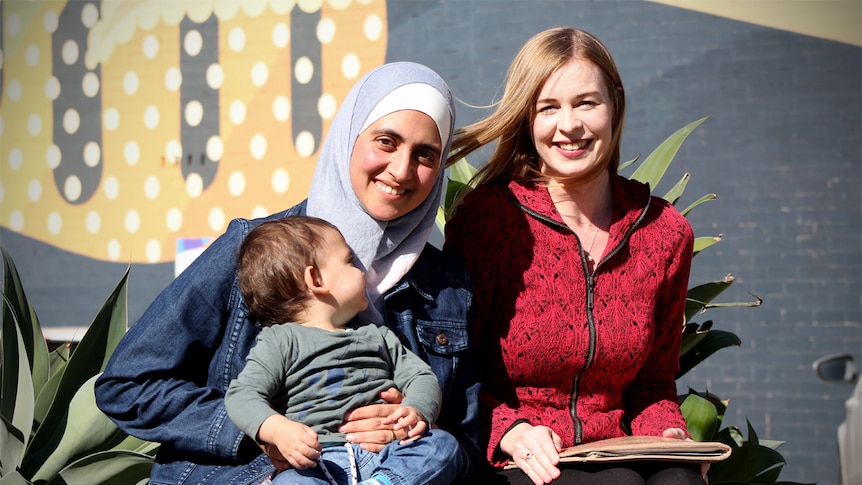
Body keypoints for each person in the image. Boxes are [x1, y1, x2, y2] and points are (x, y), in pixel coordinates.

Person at [95, 61, 482, 485]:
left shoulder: (447, 287)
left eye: (425, 154)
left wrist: (412, 424)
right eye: (386, 141)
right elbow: (130, 384)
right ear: (350, 136)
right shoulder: (253, 251)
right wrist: (264, 432)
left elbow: (466, 437)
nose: (402, 170)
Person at [442, 28, 704, 485]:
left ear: (615, 106)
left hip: (616, 450)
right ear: (528, 119)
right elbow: (455, 372)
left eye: (586, 103)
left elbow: (653, 384)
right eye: (549, 107)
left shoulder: (665, 233)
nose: (569, 125)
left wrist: (668, 432)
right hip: (520, 458)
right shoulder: (490, 222)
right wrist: (509, 427)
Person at [225, 216, 462, 485]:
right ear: (315, 279)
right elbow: (242, 395)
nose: (361, 270)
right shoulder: (279, 341)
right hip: (318, 461)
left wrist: (416, 409)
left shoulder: (377, 335)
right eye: (349, 261)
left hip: (388, 454)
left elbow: (421, 377)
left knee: (442, 444)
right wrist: (277, 430)